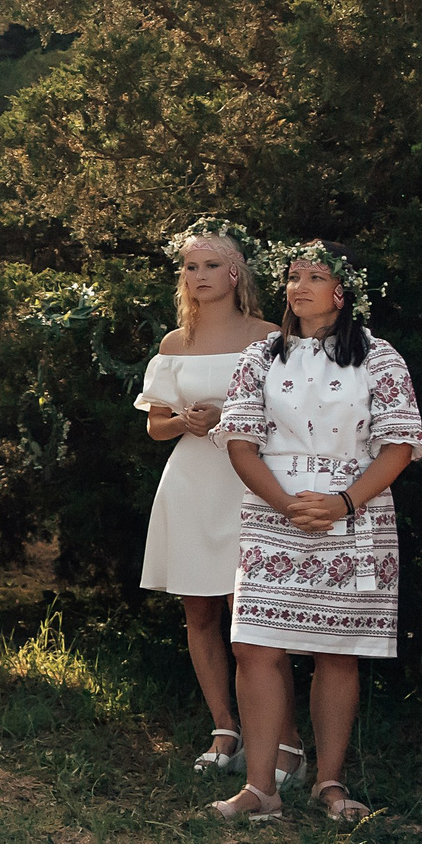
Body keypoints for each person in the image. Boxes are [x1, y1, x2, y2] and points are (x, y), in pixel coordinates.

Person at [210, 241, 422, 823]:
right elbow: (239, 440)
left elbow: (400, 443)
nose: (299, 286)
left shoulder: (380, 358)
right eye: (293, 276)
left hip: (354, 518)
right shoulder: (260, 357)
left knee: (339, 650)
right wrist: (284, 503)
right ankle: (261, 789)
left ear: (343, 291)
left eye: (315, 276)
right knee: (253, 644)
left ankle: (330, 782)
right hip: (273, 512)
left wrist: (343, 502)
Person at [136, 220, 307, 783]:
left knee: (252, 616)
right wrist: (184, 420)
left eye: (210, 265)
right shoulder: (173, 344)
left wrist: (228, 419)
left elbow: (296, 417)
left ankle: (286, 742)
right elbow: (156, 427)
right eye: (190, 267)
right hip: (190, 481)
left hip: (248, 483)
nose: (198, 275)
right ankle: (224, 728)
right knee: (199, 610)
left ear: (235, 274)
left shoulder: (269, 335)